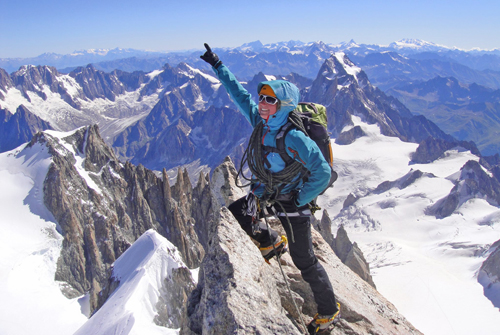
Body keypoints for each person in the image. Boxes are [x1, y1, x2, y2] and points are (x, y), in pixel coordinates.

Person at [201, 43, 340, 334]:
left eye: (270, 100)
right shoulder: (261, 123)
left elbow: (323, 172)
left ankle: (329, 311)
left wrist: (300, 198)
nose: (262, 104)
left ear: (284, 104)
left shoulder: (293, 137)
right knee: (239, 214)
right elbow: (238, 94)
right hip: (268, 192)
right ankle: (270, 240)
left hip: (293, 202)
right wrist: (217, 65)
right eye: (262, 98)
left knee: (304, 260)